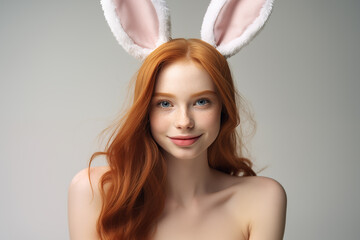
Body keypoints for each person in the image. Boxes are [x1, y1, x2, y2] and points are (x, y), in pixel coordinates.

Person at [68, 1, 286, 240]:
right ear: (145, 111)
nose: (184, 122)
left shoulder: (263, 199)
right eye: (165, 104)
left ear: (224, 108)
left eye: (201, 102)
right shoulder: (93, 192)